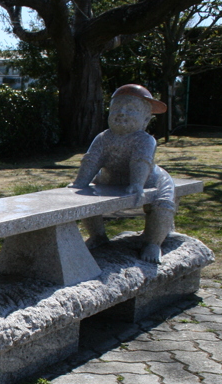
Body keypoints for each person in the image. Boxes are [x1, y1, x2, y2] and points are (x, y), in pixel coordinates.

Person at [70, 84, 176, 263]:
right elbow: (91, 160)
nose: (122, 113)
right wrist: (80, 182)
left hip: (149, 181)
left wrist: (137, 184)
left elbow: (141, 161)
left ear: (146, 120)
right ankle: (97, 235)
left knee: (164, 202)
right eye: (116, 108)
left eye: (131, 109)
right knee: (86, 196)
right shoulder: (103, 138)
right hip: (109, 179)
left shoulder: (145, 140)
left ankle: (154, 242)